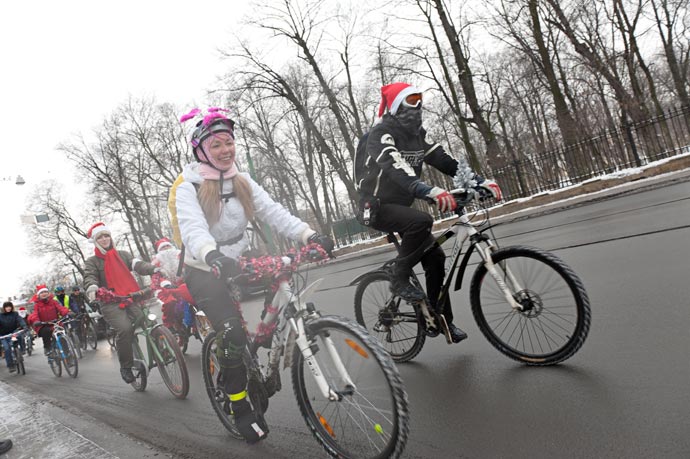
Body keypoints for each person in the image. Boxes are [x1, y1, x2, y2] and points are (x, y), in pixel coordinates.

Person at [175, 107, 334, 443]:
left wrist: (308, 234)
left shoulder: (242, 180)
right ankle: (238, 405)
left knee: (283, 282)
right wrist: (212, 254)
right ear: (201, 149)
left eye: (229, 142)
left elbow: (274, 211)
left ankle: (260, 344)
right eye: (216, 144)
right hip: (204, 266)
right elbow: (192, 228)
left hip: (240, 258)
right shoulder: (189, 186)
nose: (225, 149)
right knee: (232, 332)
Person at [356, 82, 501, 343]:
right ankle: (399, 277)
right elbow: (395, 165)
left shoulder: (417, 137)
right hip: (375, 207)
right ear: (397, 104)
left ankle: (440, 320)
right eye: (411, 99)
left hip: (401, 206)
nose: (418, 105)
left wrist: (478, 181)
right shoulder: (381, 134)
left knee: (435, 258)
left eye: (420, 99)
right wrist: (428, 190)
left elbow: (445, 161)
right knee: (422, 220)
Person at [82, 222, 160, 384]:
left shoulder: (123, 255)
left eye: (106, 235)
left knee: (148, 320)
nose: (104, 239)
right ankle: (126, 366)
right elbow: (89, 275)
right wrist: (92, 286)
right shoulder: (93, 261)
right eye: (100, 237)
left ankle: (164, 349)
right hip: (110, 302)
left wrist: (154, 269)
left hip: (130, 296)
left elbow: (138, 265)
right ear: (96, 241)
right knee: (125, 329)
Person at [26, 285, 71, 355]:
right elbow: (35, 314)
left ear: (48, 293)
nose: (44, 294)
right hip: (43, 324)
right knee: (46, 332)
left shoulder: (53, 302)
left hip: (55, 323)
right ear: (38, 295)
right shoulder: (36, 305)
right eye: (42, 293)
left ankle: (68, 354)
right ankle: (47, 347)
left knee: (61, 334)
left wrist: (67, 313)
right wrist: (36, 321)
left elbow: (61, 308)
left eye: (45, 292)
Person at [0, 301, 27, 371]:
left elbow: (20, 320)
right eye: (6, 307)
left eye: (10, 306)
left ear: (12, 307)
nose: (8, 308)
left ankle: (21, 351)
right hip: (3, 335)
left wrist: (24, 326)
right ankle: (10, 365)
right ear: (4, 308)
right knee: (7, 348)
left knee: (19, 336)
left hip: (13, 332)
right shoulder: (0, 316)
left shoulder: (15, 314)